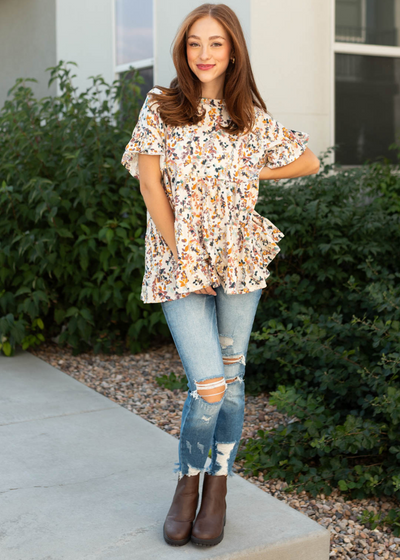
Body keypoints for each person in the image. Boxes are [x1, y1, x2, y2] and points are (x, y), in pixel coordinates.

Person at [121, 2, 320, 548]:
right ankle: (187, 481)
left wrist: (249, 167)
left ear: (233, 51)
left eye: (215, 43)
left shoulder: (248, 115)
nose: (204, 54)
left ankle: (219, 485)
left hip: (239, 259)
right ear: (183, 51)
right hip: (177, 263)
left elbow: (308, 162)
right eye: (194, 43)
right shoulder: (162, 105)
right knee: (207, 385)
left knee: (232, 387)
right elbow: (149, 185)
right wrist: (184, 256)